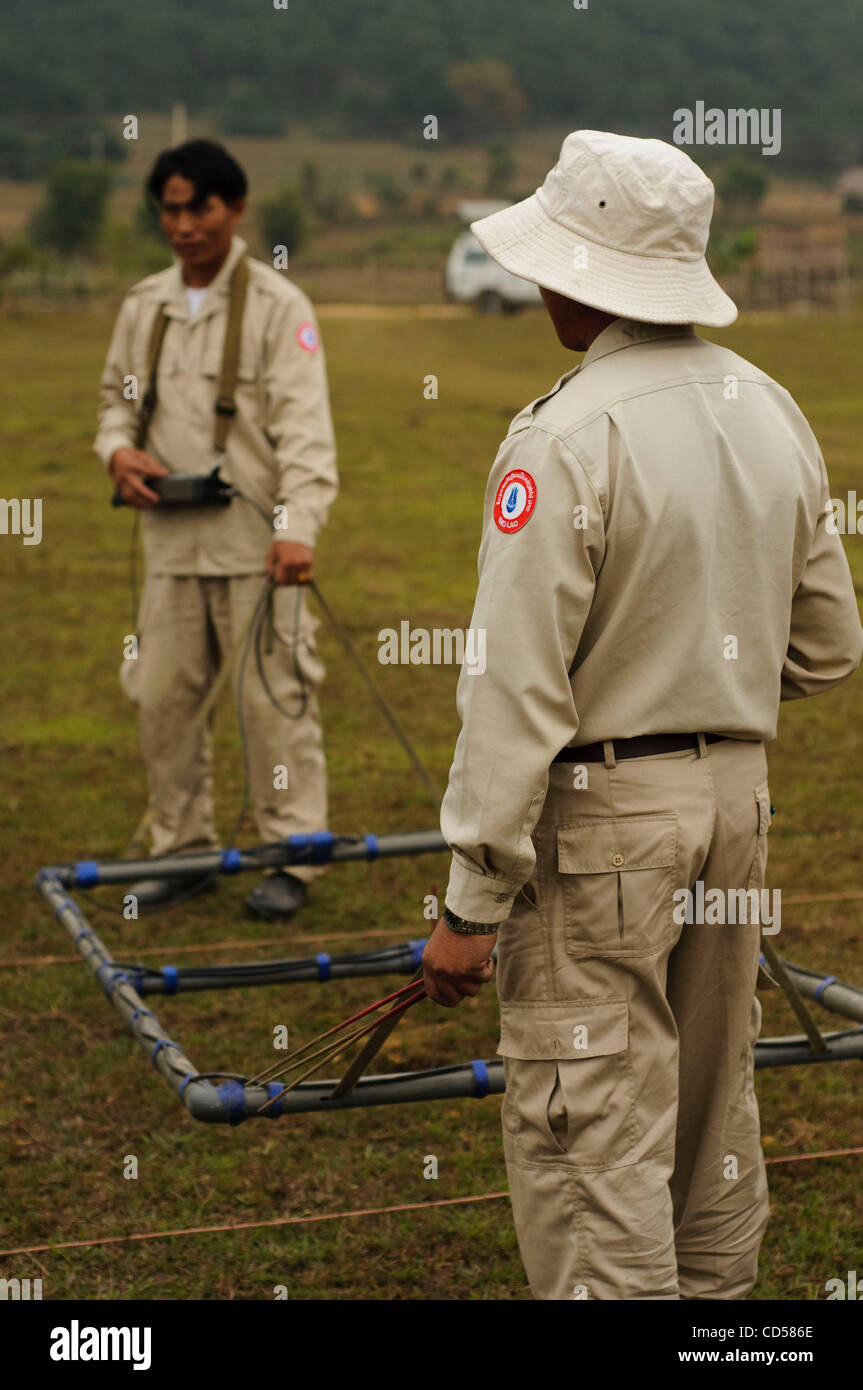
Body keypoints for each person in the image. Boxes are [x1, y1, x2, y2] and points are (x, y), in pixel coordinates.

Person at [421, 130, 863, 1299]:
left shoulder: (562, 435)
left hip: (606, 821)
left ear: (583, 275)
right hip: (733, 804)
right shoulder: (769, 408)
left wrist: (469, 899)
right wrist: (699, 684)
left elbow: (517, 691)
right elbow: (826, 648)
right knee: (713, 1107)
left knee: (591, 1133)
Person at [95, 139, 337, 919]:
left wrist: (298, 528)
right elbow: (114, 402)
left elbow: (306, 432)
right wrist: (117, 451)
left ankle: (294, 855)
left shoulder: (279, 308)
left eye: (199, 206)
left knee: (272, 699)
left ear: (234, 210)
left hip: (258, 546)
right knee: (162, 699)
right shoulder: (144, 306)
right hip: (167, 544)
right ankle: (184, 851)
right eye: (169, 207)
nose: (184, 223)